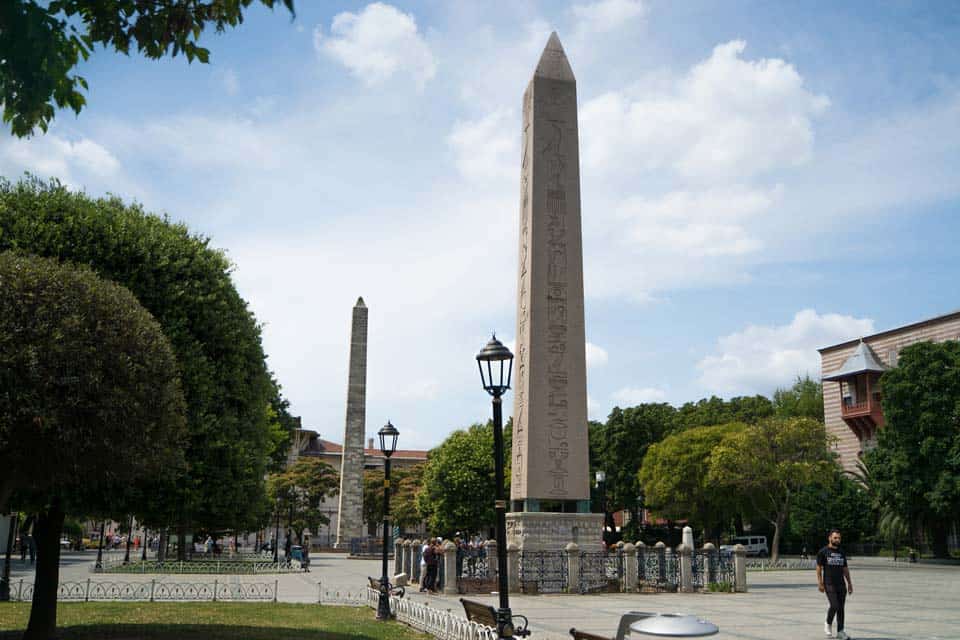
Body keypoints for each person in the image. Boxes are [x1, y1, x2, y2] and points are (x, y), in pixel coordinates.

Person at [817, 529, 853, 639]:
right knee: (834, 605)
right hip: (829, 583)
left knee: (841, 608)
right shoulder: (823, 552)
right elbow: (819, 568)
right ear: (830, 538)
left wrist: (850, 583)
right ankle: (828, 624)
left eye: (839, 538)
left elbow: (845, 569)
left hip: (841, 584)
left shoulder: (841, 552)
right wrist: (820, 583)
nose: (837, 540)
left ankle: (840, 631)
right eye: (835, 537)